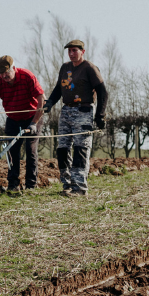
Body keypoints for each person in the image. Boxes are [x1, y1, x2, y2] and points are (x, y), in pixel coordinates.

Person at [41, 40, 107, 197]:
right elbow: (59, 88)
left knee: (80, 149)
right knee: (62, 149)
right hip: (66, 111)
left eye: (74, 50)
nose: (71, 53)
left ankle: (80, 187)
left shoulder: (89, 68)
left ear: (82, 52)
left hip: (83, 111)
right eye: (69, 51)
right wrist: (50, 102)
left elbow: (102, 91)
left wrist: (100, 115)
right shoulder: (65, 67)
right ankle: (67, 184)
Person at [0, 55, 44, 191]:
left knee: (30, 151)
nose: (4, 76)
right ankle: (13, 184)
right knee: (12, 151)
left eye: (6, 72)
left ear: (13, 68)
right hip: (13, 119)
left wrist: (34, 122)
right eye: (1, 74)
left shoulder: (27, 76)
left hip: (32, 117)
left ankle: (31, 185)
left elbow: (42, 98)